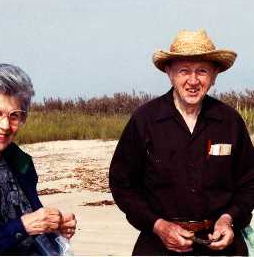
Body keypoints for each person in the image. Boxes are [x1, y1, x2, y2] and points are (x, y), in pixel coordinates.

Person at [109, 29, 254, 255]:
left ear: (215, 75)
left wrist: (229, 219)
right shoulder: (145, 120)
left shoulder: (230, 121)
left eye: (202, 71)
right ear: (170, 73)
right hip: (158, 244)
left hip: (222, 246)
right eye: (184, 71)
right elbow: (122, 185)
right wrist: (158, 225)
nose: (193, 81)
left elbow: (249, 184)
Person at [0, 64, 77, 255]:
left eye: (14, 116)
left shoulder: (21, 163)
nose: (4, 125)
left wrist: (53, 228)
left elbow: (31, 223)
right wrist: (21, 227)